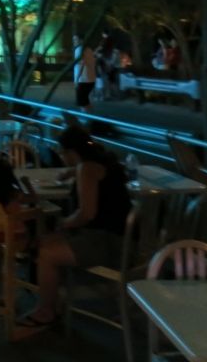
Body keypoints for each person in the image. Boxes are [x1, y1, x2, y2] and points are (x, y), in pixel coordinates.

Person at [20, 125, 131, 328]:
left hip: (107, 242)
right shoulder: (101, 163)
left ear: (71, 151)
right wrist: (73, 172)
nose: (62, 155)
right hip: (117, 237)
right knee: (43, 242)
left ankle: (46, 312)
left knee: (47, 255)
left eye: (63, 151)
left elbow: (87, 213)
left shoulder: (86, 169)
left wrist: (66, 222)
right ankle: (56, 299)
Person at [73, 35, 97, 110]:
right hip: (91, 79)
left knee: (82, 103)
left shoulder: (79, 50)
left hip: (83, 80)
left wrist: (77, 78)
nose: (74, 41)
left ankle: (85, 120)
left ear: (81, 40)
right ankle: (91, 118)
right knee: (85, 101)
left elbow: (81, 64)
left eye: (76, 39)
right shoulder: (89, 50)